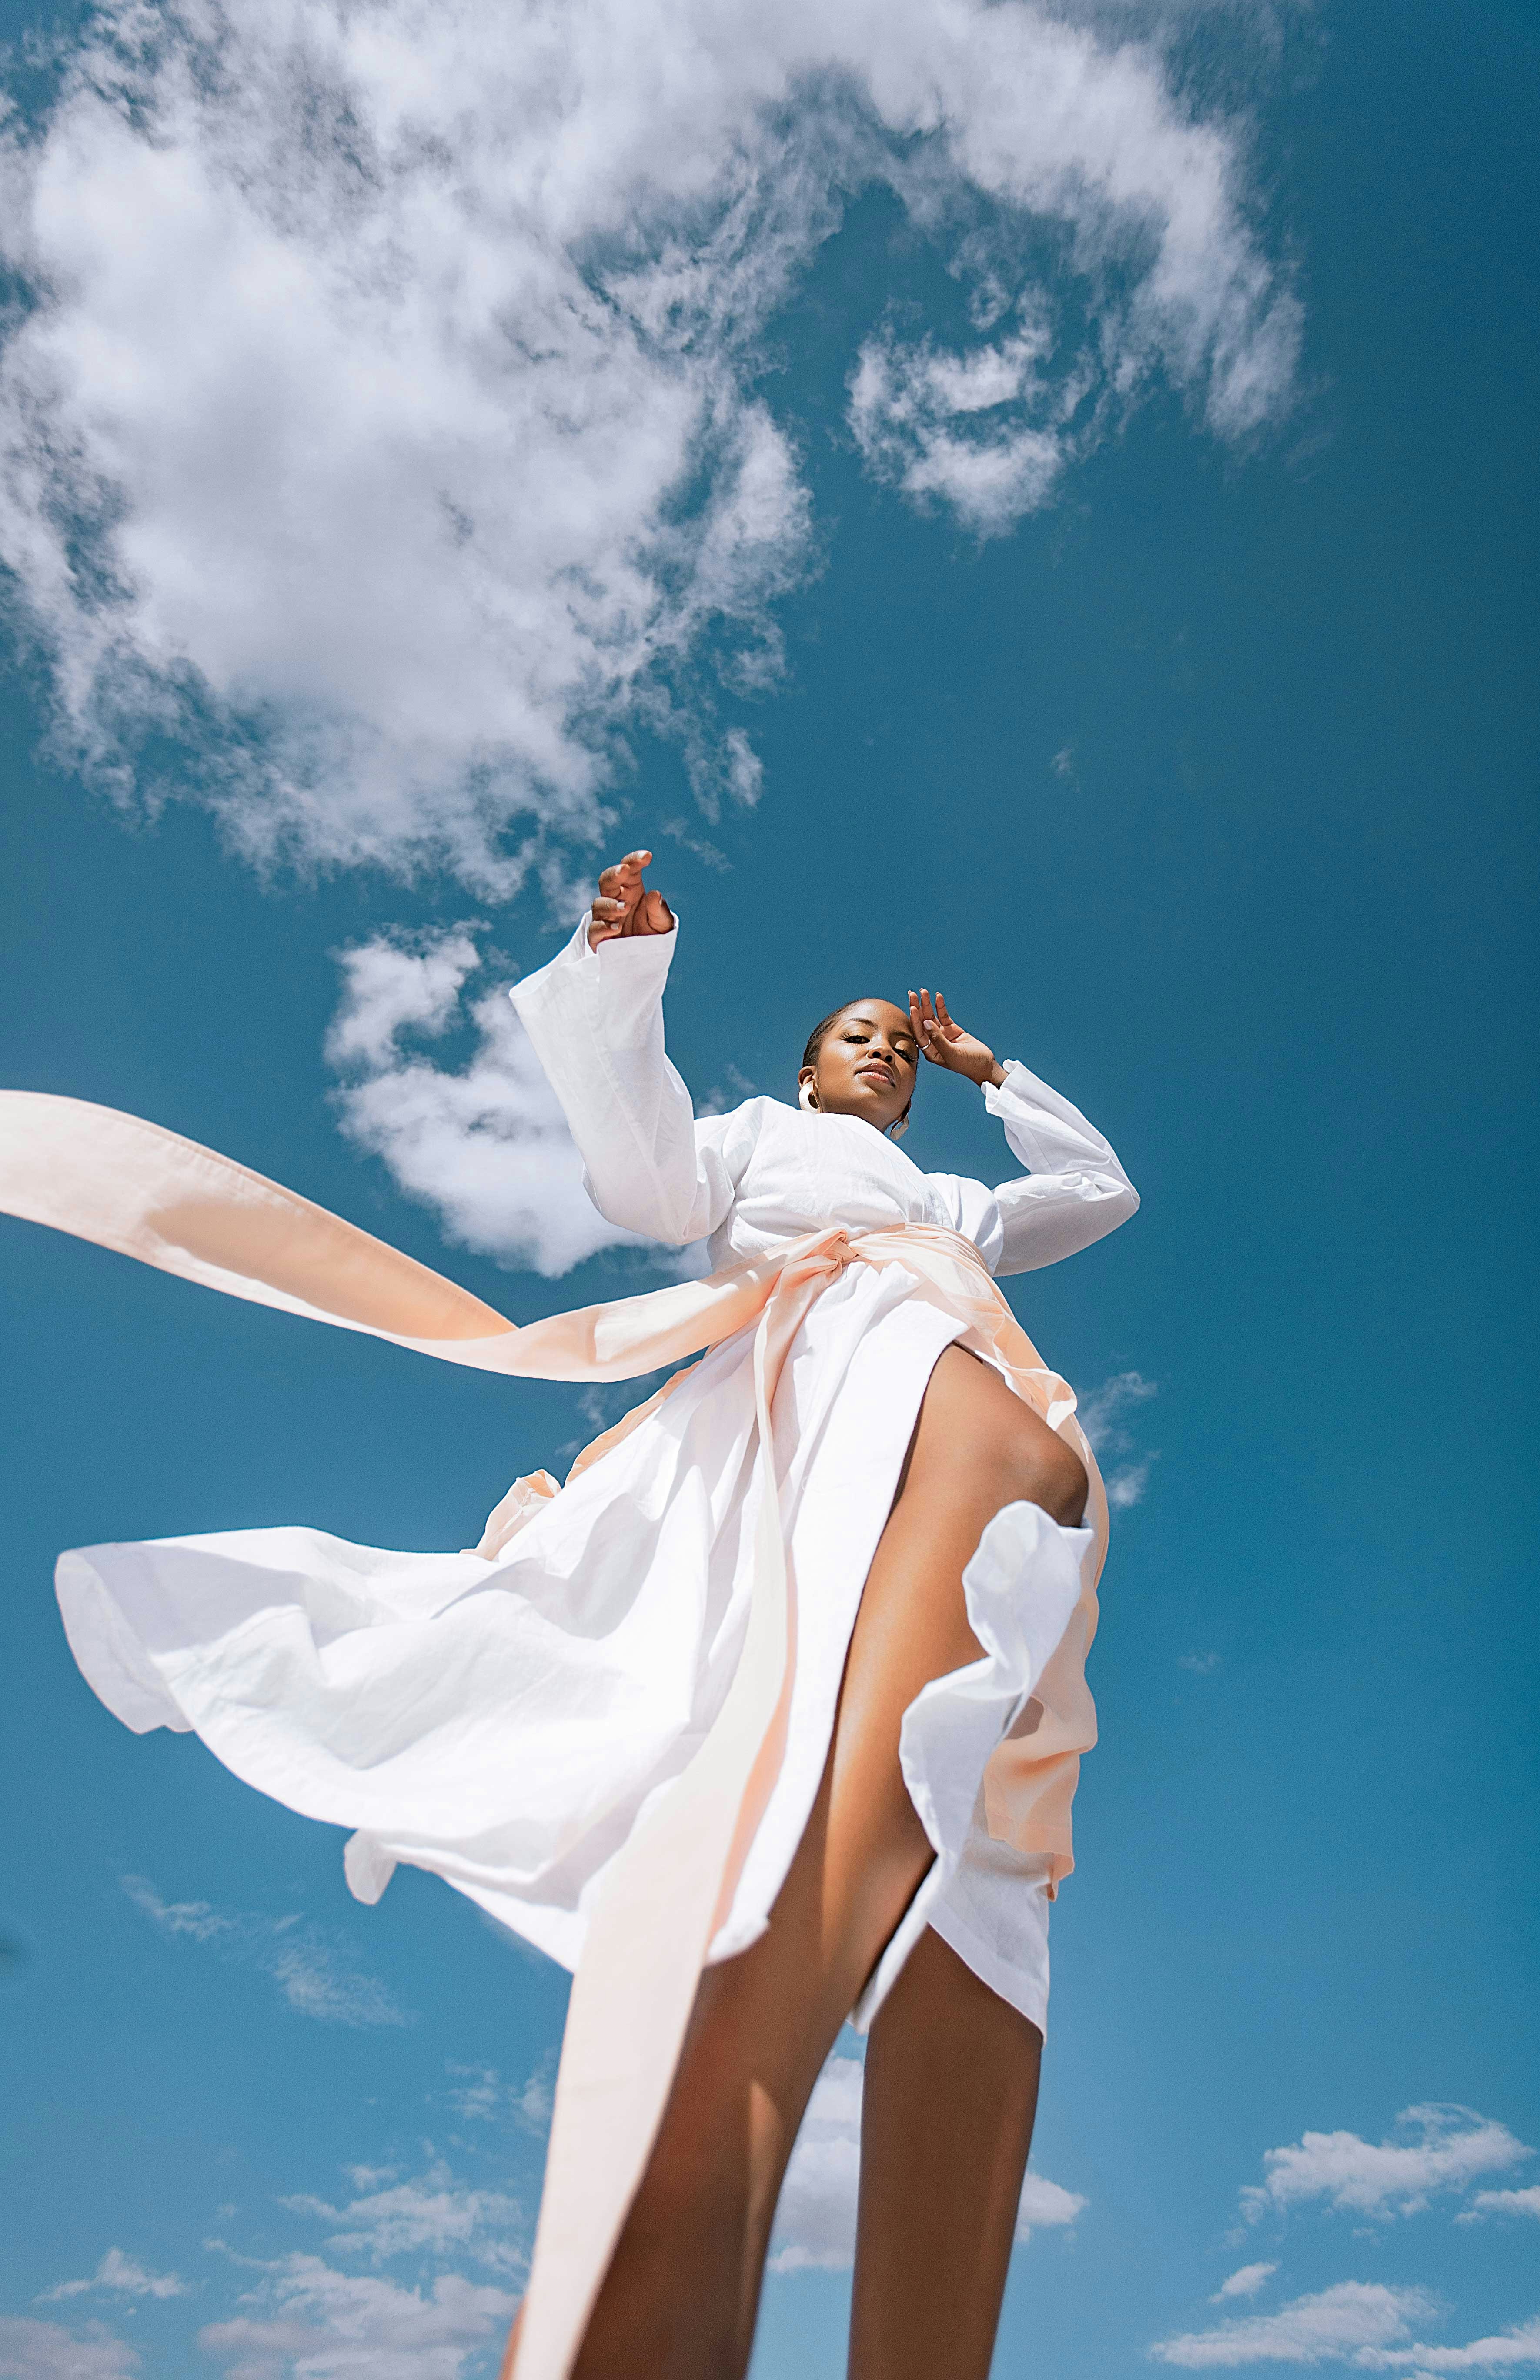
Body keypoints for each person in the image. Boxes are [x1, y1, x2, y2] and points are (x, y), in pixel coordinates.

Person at [0, 845, 1138, 2380]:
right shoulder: (754, 1142)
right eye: (856, 1036)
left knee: (976, 1858)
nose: (883, 1052)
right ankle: (672, 2230)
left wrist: (991, 1071)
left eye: (900, 1044)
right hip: (815, 1410)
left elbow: (1095, 1193)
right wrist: (620, 981)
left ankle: (775, 2276)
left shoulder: (949, 1198)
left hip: (956, 1402)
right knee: (798, 1780)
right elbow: (643, 1180)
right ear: (807, 1072)